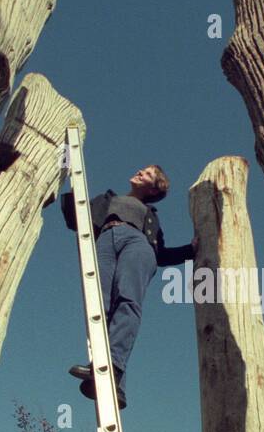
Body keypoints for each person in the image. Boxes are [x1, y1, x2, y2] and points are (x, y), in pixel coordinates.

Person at [61, 164, 196, 409]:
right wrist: (68, 181)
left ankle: (111, 367)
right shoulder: (109, 199)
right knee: (97, 305)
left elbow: (161, 254)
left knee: (127, 300)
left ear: (155, 187)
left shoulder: (150, 214)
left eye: (147, 173)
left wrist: (190, 250)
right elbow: (75, 219)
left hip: (137, 243)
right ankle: (114, 383)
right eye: (142, 170)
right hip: (104, 241)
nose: (140, 172)